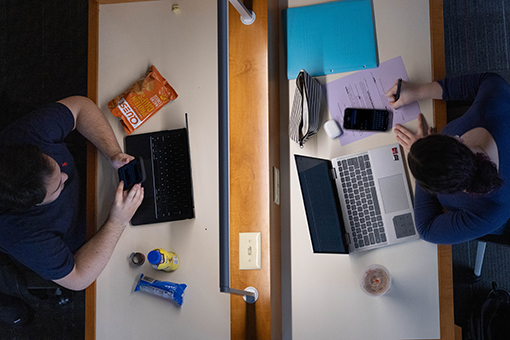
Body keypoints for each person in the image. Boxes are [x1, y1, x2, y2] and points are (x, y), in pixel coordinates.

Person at [0, 96, 144, 326]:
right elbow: (78, 278)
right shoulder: (21, 234)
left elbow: (80, 107)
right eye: (58, 185)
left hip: (97, 178)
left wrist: (113, 153)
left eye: (57, 168)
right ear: (33, 205)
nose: (65, 177)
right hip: (89, 235)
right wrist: (117, 222)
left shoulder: (23, 138)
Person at [384, 73, 510, 245]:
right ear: (455, 139)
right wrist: (418, 91)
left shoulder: (493, 210)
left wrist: (425, 166)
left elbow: (427, 230)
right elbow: (488, 79)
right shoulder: (492, 106)